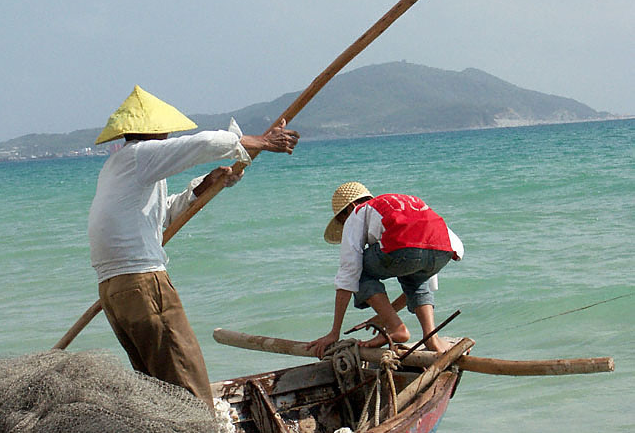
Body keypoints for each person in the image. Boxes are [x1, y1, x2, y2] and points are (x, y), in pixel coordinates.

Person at [89, 85, 299, 410]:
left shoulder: (119, 166)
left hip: (114, 291)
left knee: (159, 391)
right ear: (153, 132)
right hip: (142, 284)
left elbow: (162, 215)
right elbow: (202, 143)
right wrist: (259, 142)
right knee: (188, 385)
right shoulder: (140, 156)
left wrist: (205, 185)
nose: (169, 135)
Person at [308, 182, 463, 359]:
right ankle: (432, 338)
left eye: (343, 222)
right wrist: (385, 315)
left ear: (350, 208)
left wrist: (334, 333)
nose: (346, 226)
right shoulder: (402, 204)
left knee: (358, 268)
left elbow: (348, 273)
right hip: (443, 250)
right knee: (416, 279)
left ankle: (396, 328)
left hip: (405, 249)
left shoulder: (358, 212)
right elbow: (423, 282)